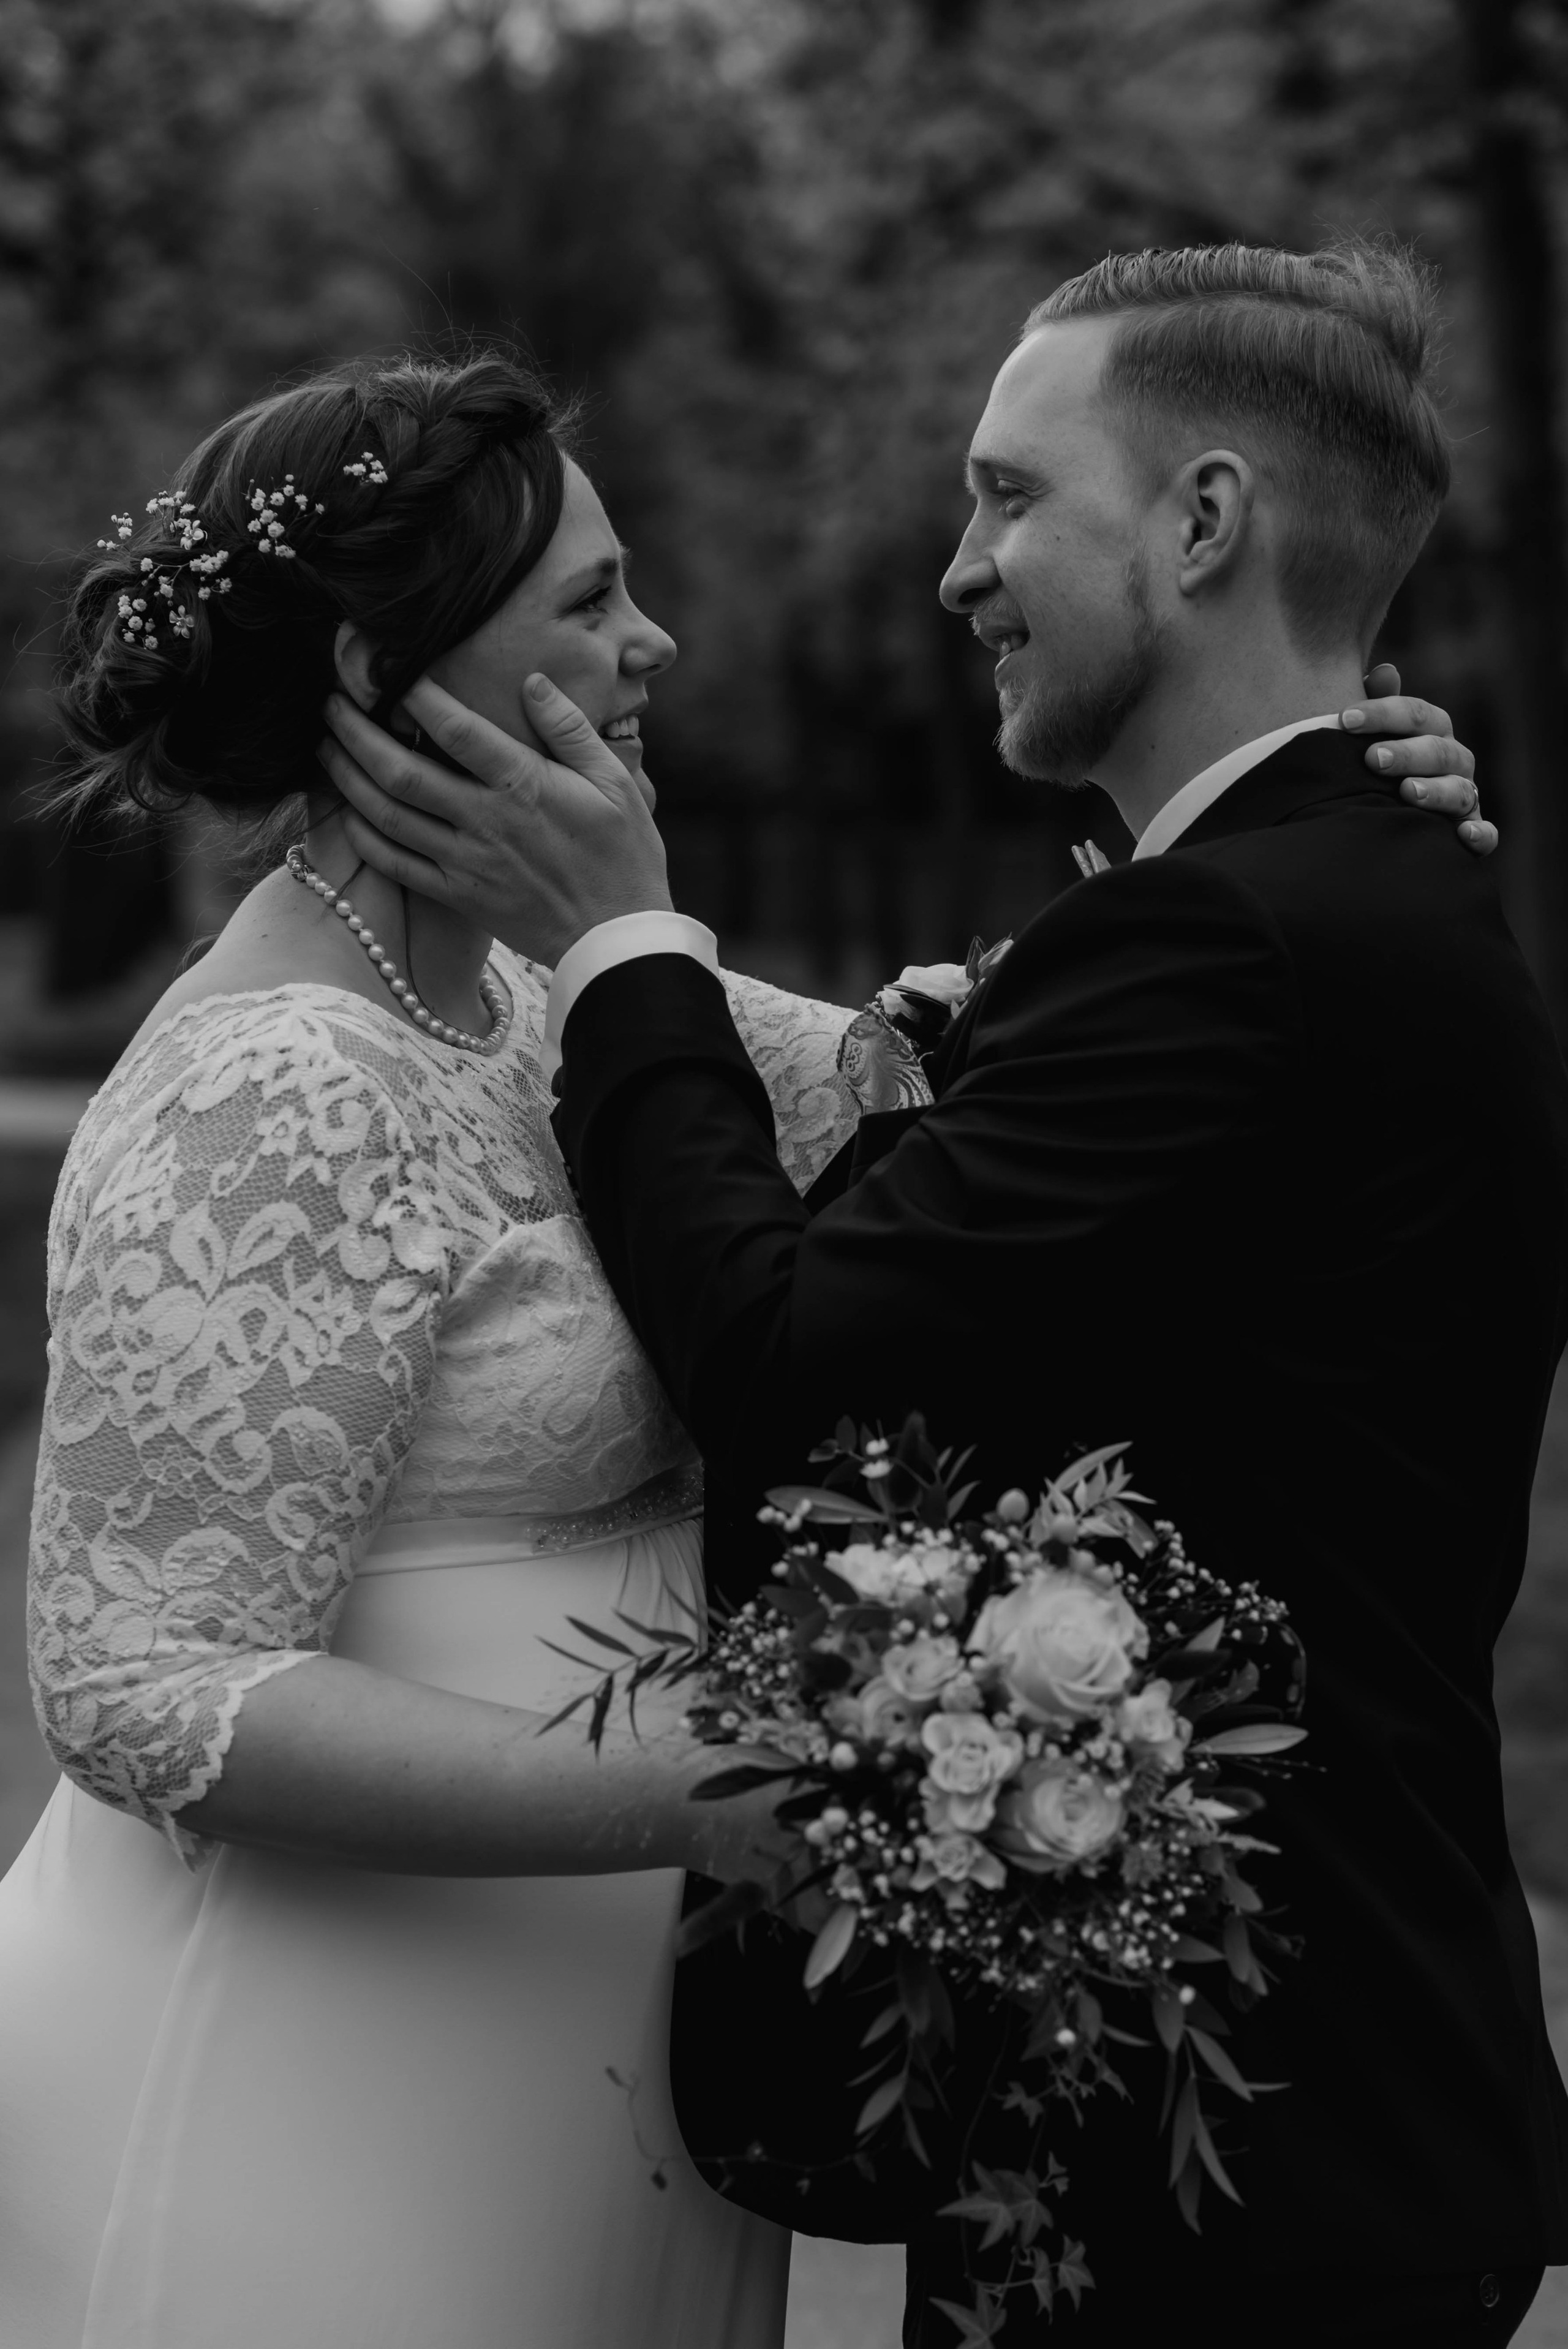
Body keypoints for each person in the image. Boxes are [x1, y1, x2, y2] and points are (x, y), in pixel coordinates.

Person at [322, 239, 1567, 2347]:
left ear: (1203, 523)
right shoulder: (1338, 892)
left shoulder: (1237, 943)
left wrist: (630, 946)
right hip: (1269, 2126)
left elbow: (799, 1366)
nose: (953, 570)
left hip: (1238, 2176)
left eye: (1008, 494)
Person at [0, 351, 892, 2349]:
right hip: (312, 2081)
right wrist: (681, 1792)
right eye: (587, 601)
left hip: (573, 2065)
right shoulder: (264, 1089)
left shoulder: (523, 990)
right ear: (380, 668)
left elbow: (932, 1087)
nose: (652, 639)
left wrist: (1318, 799)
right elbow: (138, 1685)